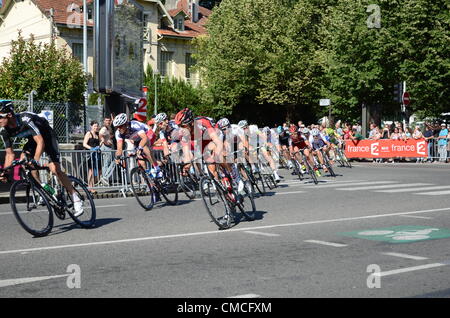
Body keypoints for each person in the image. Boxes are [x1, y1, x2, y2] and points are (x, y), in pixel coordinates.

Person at [0, 100, 84, 216]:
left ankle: (75, 198)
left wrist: (36, 159)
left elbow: (41, 142)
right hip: (32, 140)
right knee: (26, 162)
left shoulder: (25, 119)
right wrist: (5, 170)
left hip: (47, 137)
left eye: (0, 117)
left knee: (56, 169)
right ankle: (47, 190)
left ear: (9, 114)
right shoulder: (4, 130)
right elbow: (10, 154)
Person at [83, 120, 102, 194]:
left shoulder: (97, 134)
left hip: (97, 154)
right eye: (94, 126)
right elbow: (84, 144)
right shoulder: (89, 133)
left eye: (97, 126)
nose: (96, 127)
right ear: (91, 126)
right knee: (91, 171)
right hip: (90, 154)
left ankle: (92, 186)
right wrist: (91, 148)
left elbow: (98, 145)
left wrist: (101, 143)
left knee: (98, 171)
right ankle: (90, 187)